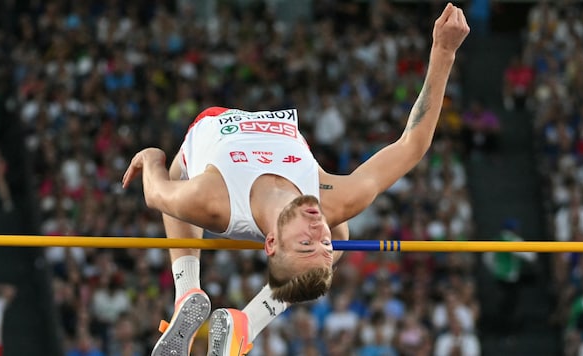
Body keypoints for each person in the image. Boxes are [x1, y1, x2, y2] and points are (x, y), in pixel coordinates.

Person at [122, 3, 469, 355]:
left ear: (270, 243)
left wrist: (151, 158)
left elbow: (156, 194)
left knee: (177, 186)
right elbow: (412, 145)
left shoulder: (211, 199)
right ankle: (246, 323)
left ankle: (187, 293)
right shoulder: (333, 200)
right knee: (342, 229)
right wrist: (443, 52)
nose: (318, 233)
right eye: (322, 246)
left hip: (213, 136)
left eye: (306, 244)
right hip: (274, 154)